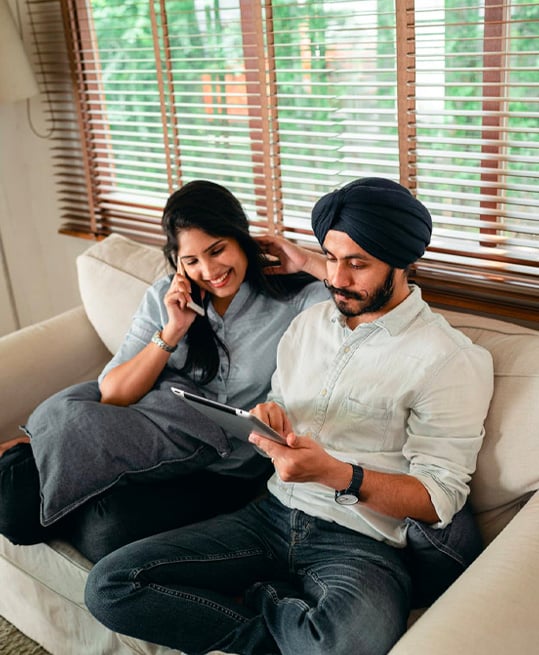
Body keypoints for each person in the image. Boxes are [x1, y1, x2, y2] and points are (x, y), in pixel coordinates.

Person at [84, 177, 494, 655]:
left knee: (343, 645)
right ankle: (282, 627)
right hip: (271, 514)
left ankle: (268, 599)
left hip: (361, 541)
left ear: (402, 262)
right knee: (110, 585)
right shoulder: (309, 323)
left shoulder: (449, 358)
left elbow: (440, 496)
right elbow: (279, 400)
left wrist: (339, 474)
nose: (337, 278)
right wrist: (268, 418)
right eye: (332, 258)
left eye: (357, 264)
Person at [0, 180, 329, 563]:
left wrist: (306, 260)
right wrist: (172, 331)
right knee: (11, 502)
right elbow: (114, 393)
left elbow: (366, 294)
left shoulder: (294, 299)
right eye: (191, 261)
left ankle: (67, 484)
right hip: (150, 439)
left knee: (107, 532)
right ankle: (48, 471)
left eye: (217, 250)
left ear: (242, 238)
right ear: (177, 262)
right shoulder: (166, 296)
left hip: (225, 470)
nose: (209, 270)